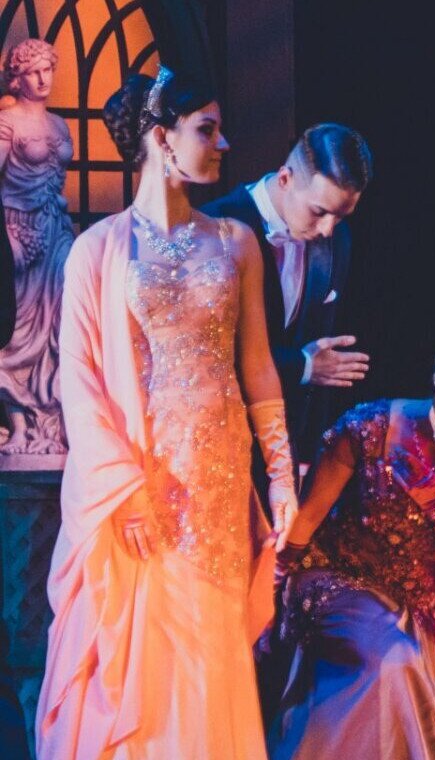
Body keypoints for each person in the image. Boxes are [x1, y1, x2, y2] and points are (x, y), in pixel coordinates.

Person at [38, 67, 295, 760]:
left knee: (213, 644)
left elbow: (258, 366)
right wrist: (121, 491)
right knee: (149, 658)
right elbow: (78, 382)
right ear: (161, 137)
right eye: (207, 129)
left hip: (219, 481)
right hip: (144, 481)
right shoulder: (97, 250)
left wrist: (280, 476)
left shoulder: (237, 243)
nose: (223, 144)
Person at [263, 344, 435, 760]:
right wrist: (268, 593)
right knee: (390, 660)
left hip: (418, 607)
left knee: (398, 664)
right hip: (338, 580)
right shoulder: (370, 428)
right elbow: (307, 519)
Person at [201, 123, 373, 463]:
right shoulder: (214, 225)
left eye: (341, 216)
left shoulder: (337, 239)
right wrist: (302, 366)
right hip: (218, 441)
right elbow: (206, 355)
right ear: (284, 179)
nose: (328, 229)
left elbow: (320, 351)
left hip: (289, 450)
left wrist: (307, 457)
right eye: (319, 211)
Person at [0, 39, 64, 460]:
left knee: (58, 326)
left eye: (48, 70)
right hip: (17, 233)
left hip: (56, 231)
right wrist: (5, 242)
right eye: (33, 72)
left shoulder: (59, 125)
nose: (43, 79)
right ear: (17, 78)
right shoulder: (6, 122)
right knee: (18, 335)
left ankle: (51, 422)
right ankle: (19, 422)